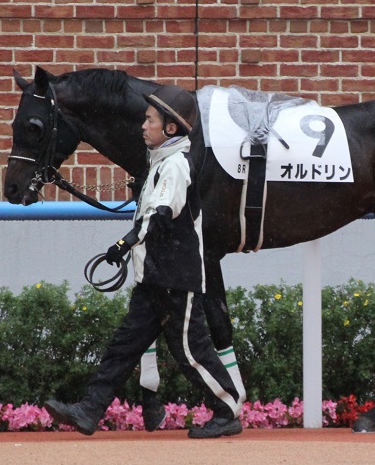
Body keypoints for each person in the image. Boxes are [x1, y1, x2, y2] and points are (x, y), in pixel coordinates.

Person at [44, 84, 242, 439]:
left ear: (170, 127)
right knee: (123, 347)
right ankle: (89, 410)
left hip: (176, 280)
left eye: (150, 120)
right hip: (153, 279)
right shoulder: (160, 163)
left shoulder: (176, 165)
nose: (143, 125)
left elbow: (160, 214)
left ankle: (228, 410)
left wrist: (124, 243)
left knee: (190, 351)